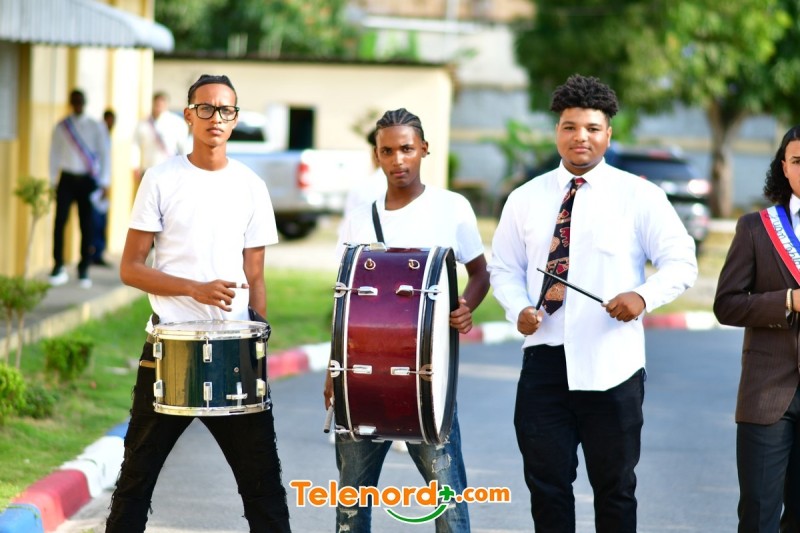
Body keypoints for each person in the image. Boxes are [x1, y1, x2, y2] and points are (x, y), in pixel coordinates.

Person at [489, 74, 697, 532]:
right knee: (547, 487)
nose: (580, 136)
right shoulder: (526, 198)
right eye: (569, 127)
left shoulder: (640, 196)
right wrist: (518, 307)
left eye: (592, 128)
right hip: (544, 362)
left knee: (615, 488)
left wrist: (642, 296)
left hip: (612, 365)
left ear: (608, 133)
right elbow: (503, 267)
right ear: (557, 131)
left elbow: (681, 262)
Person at [106, 74, 291, 532]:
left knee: (264, 489)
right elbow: (131, 267)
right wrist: (194, 289)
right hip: (170, 349)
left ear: (235, 119)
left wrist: (257, 346)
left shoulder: (251, 185)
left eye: (225, 110)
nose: (215, 118)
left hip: (233, 353)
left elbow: (255, 276)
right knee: (135, 483)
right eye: (205, 108)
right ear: (189, 115)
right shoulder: (161, 179)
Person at [324, 108, 490, 532]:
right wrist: (333, 369)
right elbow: (346, 298)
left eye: (407, 149)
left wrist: (466, 306)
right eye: (387, 151)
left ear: (424, 149)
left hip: (428, 378)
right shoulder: (360, 217)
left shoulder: (452, 207)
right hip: (362, 375)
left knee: (449, 503)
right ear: (377, 155)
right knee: (351, 504)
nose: (398, 160)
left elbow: (480, 273)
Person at [713, 125, 800, 532]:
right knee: (758, 515)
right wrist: (787, 301)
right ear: (784, 166)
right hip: (767, 393)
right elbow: (726, 304)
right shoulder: (756, 227)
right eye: (798, 161)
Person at [48, 89, 110, 288]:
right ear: (70, 103)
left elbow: (105, 153)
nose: (77, 104)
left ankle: (84, 268)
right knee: (60, 222)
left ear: (85, 102)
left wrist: (104, 182)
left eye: (80, 101)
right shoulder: (62, 127)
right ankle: (58, 264)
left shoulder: (95, 126)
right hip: (66, 179)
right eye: (74, 101)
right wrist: (52, 181)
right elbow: (54, 154)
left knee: (87, 225)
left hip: (87, 181)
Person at [132, 91, 188, 189]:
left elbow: (183, 147)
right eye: (157, 104)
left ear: (166, 105)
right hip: (148, 169)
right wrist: (135, 165)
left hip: (169, 170)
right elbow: (135, 145)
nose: (159, 106)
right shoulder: (143, 124)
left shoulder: (176, 123)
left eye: (161, 104)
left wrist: (183, 167)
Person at [89, 108, 116, 267]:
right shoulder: (100, 136)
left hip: (102, 183)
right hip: (97, 183)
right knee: (96, 221)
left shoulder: (106, 136)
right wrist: (104, 184)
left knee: (100, 220)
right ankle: (94, 253)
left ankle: (98, 252)